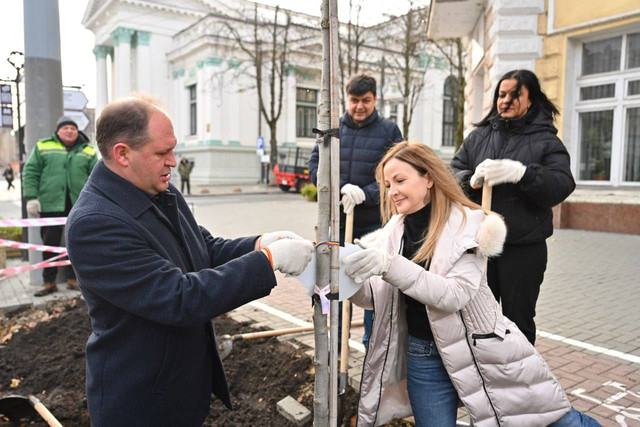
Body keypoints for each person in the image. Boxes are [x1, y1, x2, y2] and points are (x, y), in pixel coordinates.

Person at [65, 96, 314, 427]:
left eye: (173, 149)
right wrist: (268, 261)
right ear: (122, 154)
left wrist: (260, 243)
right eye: (161, 152)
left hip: (178, 388)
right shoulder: (95, 223)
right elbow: (179, 298)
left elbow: (204, 249)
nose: (173, 161)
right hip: (141, 402)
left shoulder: (158, 190)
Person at [343, 142, 599, 426]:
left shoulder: (468, 224)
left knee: (554, 421)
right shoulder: (391, 234)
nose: (392, 192)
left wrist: (389, 265)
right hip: (423, 354)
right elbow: (376, 296)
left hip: (481, 347)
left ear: (428, 177)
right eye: (387, 184)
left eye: (400, 180)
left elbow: (452, 295)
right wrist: (345, 278)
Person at [451, 69, 575, 345]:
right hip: (480, 245)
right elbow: (453, 170)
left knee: (517, 320)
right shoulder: (479, 136)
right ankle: (482, 378)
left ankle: (520, 380)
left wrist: (522, 173)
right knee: (477, 316)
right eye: (501, 94)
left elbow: (562, 185)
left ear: (531, 100)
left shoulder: (547, 141)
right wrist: (468, 180)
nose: (506, 101)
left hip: (523, 249)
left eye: (515, 95)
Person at [308, 73, 403, 348]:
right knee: (336, 285)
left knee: (373, 288)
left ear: (375, 99)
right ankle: (336, 343)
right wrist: (336, 189)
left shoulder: (389, 131)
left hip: (374, 226)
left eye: (366, 100)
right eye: (354, 100)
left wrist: (367, 193)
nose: (359, 106)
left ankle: (372, 344)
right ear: (346, 99)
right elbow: (315, 165)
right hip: (338, 223)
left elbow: (398, 172)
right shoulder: (333, 129)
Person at [22, 115, 98, 296]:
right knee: (49, 244)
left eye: (73, 128)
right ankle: (49, 282)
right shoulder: (43, 146)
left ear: (77, 131)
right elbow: (30, 172)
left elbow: (96, 177)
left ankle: (74, 279)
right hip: (50, 205)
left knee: (79, 242)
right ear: (58, 131)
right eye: (66, 128)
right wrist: (31, 198)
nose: (70, 131)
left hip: (79, 205)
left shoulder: (87, 150)